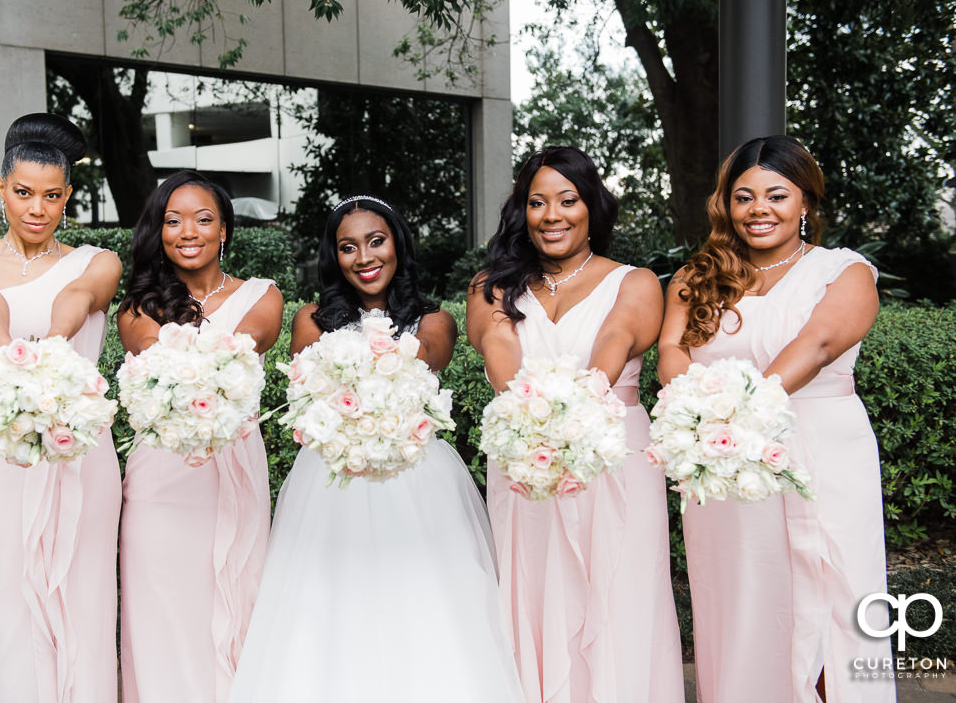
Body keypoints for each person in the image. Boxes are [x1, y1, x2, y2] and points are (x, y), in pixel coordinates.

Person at [227, 195, 525, 703]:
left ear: (397, 245)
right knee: (329, 601)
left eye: (376, 241)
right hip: (330, 478)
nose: (364, 257)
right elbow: (305, 390)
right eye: (348, 247)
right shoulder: (310, 320)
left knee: (422, 597)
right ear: (334, 258)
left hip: (414, 474)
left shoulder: (434, 320)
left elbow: (424, 360)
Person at [657, 135, 895, 703]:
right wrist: (700, 418)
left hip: (820, 454)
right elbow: (671, 351)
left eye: (776, 195)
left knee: (834, 594)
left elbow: (816, 346)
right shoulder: (698, 276)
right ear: (726, 205)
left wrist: (737, 413)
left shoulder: (845, 272)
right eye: (743, 196)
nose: (758, 209)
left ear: (805, 201)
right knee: (743, 597)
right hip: (723, 467)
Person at [467, 146, 684, 703]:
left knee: (618, 588)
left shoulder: (634, 281)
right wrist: (531, 415)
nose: (552, 215)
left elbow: (615, 339)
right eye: (537, 202)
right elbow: (497, 343)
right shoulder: (491, 285)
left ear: (592, 206)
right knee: (534, 589)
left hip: (613, 455)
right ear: (522, 212)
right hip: (526, 459)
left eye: (568, 200)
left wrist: (580, 407)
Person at [0, 112, 124, 703]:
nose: (36, 209)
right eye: (23, 194)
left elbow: (76, 298)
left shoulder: (98, 260)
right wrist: (13, 356)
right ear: (2, 190)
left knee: (81, 586)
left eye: (50, 196)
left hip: (77, 451)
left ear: (67, 196)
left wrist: (51, 349)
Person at [116, 170, 283, 703]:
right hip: (161, 479)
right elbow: (157, 354)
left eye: (203, 219)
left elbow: (242, 346)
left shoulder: (263, 296)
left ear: (225, 231)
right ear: (158, 232)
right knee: (162, 600)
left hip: (233, 467)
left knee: (237, 590)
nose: (188, 231)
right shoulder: (138, 306)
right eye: (173, 220)